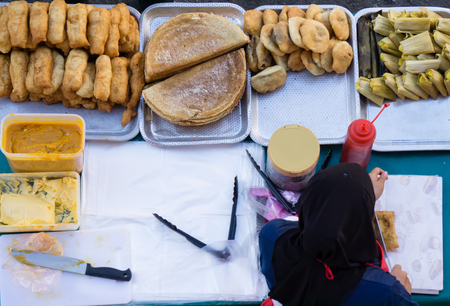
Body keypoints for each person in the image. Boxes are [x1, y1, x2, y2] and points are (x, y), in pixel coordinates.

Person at [259, 163, 419, 306]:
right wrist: (401, 294)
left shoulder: (271, 235)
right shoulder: (385, 291)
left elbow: (320, 223)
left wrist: (361, 196)